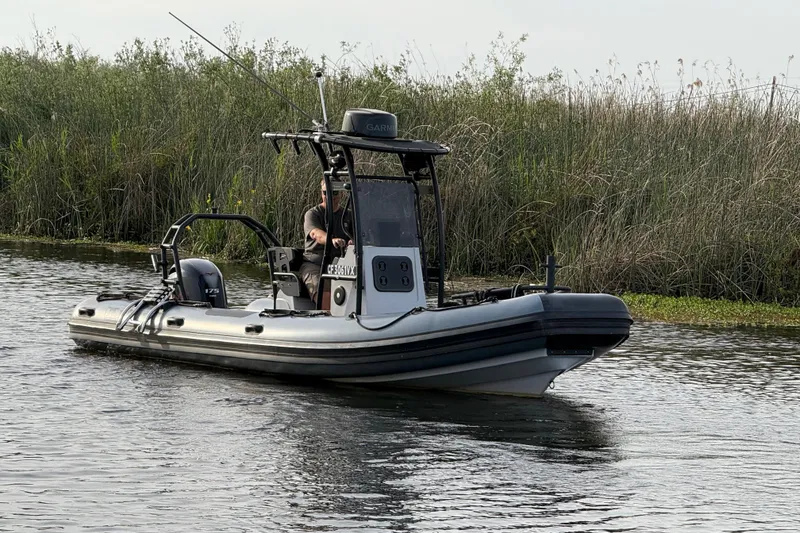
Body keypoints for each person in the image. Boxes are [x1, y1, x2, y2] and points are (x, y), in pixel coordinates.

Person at [299, 180, 353, 304]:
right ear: (321, 193)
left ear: (341, 194)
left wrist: (352, 242)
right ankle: (327, 315)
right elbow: (315, 234)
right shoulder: (312, 214)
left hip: (343, 266)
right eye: (326, 192)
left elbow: (359, 237)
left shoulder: (349, 216)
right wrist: (331, 240)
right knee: (324, 292)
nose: (330, 196)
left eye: (334, 192)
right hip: (315, 264)